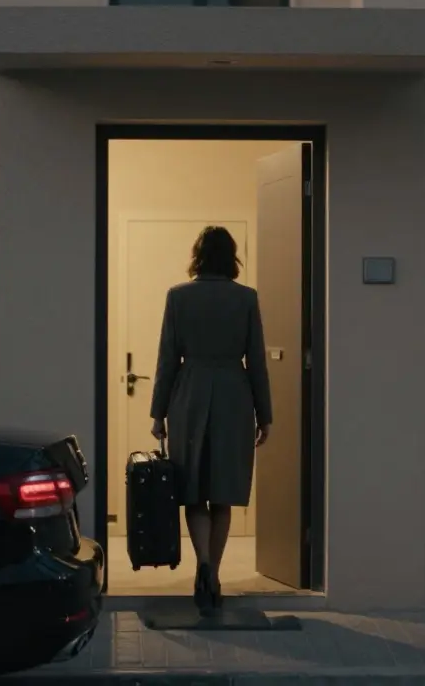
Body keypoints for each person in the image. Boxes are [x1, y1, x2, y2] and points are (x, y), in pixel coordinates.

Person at [149, 225, 272, 616]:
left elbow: (167, 358)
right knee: (223, 490)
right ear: (231, 256)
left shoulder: (178, 297)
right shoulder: (246, 298)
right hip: (235, 396)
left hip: (188, 394)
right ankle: (214, 573)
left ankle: (200, 563)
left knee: (192, 488)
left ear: (197, 255)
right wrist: (265, 414)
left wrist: (157, 413)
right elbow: (257, 361)